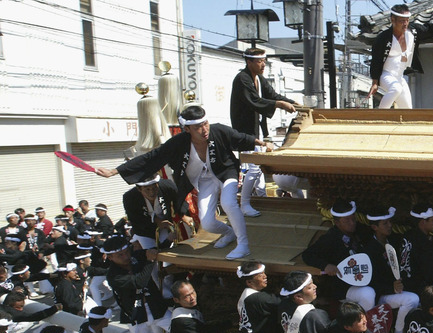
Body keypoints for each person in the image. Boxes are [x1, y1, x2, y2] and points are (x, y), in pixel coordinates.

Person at [96, 105, 265, 260]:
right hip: (204, 179)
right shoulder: (179, 142)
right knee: (207, 222)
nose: (204, 129)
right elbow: (152, 157)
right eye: (198, 127)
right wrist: (114, 171)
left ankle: (243, 245)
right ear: (187, 129)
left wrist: (263, 143)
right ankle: (228, 233)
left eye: (205, 124)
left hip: (226, 173)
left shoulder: (219, 130)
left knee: (228, 203)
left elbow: (241, 138)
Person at [230, 47, 298, 217]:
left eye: (264, 61)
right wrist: (281, 105)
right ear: (249, 62)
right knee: (254, 168)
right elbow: (255, 101)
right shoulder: (242, 79)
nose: (263, 64)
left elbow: (273, 95)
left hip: (257, 129)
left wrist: (293, 103)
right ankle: (244, 203)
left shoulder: (259, 78)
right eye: (259, 61)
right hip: (245, 130)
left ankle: (261, 200)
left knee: (258, 168)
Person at [104, 235, 171, 333]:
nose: (126, 256)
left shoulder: (135, 257)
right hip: (136, 314)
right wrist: (150, 262)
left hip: (155, 307)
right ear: (111, 257)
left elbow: (154, 251)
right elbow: (139, 282)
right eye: (120, 255)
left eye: (127, 251)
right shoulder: (113, 276)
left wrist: (168, 239)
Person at [368, 4, 433, 108]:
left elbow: (429, 30)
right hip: (385, 75)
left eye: (407, 20)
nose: (405, 23)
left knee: (408, 109)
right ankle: (379, 118)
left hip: (399, 77)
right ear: (393, 19)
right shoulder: (383, 38)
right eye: (402, 21)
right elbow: (376, 60)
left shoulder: (412, 31)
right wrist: (375, 82)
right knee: (395, 89)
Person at [364, 205, 419, 333]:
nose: (390, 226)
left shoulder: (393, 241)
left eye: (390, 222)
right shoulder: (370, 250)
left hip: (397, 288)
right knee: (412, 299)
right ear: (375, 227)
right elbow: (370, 281)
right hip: (381, 294)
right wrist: (391, 288)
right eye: (385, 223)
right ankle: (398, 332)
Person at [302, 199, 371, 303]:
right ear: (337, 222)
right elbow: (307, 255)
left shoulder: (360, 231)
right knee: (368, 294)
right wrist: (326, 265)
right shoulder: (330, 238)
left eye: (353, 219)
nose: (352, 223)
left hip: (364, 277)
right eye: (347, 221)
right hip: (344, 286)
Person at [122, 174, 179, 250]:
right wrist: (156, 221)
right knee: (152, 252)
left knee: (168, 251)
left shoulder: (167, 186)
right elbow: (135, 220)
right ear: (139, 189)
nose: (152, 193)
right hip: (144, 230)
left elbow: (179, 200)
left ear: (158, 184)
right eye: (147, 189)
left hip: (165, 226)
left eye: (154, 188)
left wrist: (182, 214)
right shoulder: (129, 198)